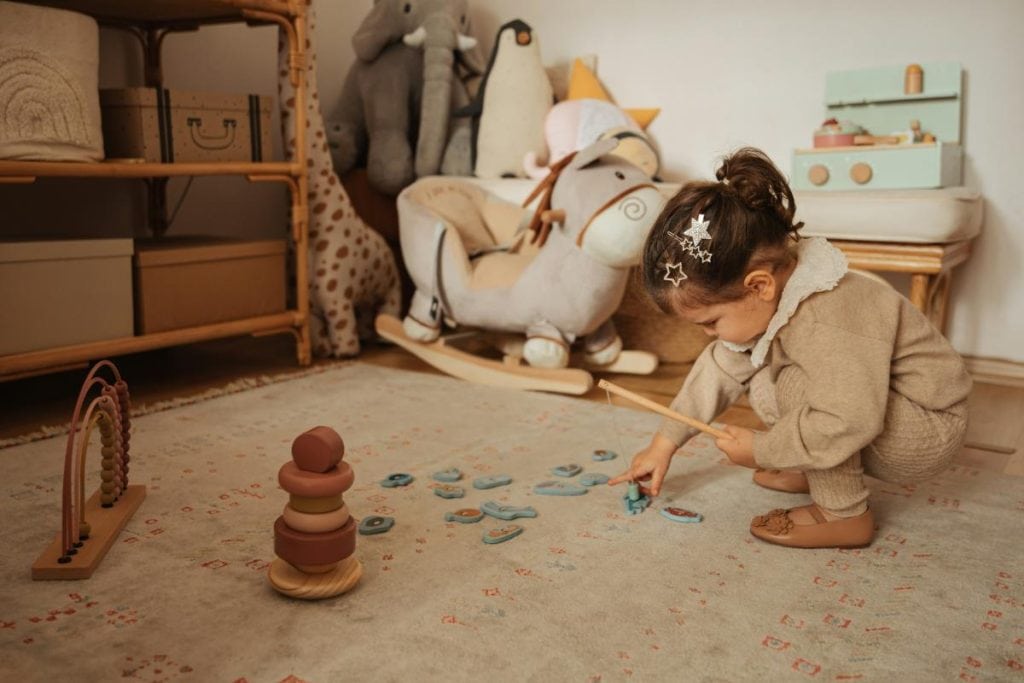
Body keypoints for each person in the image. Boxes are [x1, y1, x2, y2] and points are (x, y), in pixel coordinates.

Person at [607, 148, 971, 548]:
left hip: (926, 431)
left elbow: (848, 418)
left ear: (759, 286)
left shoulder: (823, 318)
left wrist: (764, 449)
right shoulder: (778, 291)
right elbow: (720, 369)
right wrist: (664, 443)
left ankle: (843, 513)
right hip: (871, 405)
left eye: (711, 322)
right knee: (759, 372)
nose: (709, 334)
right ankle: (817, 466)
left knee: (794, 384)